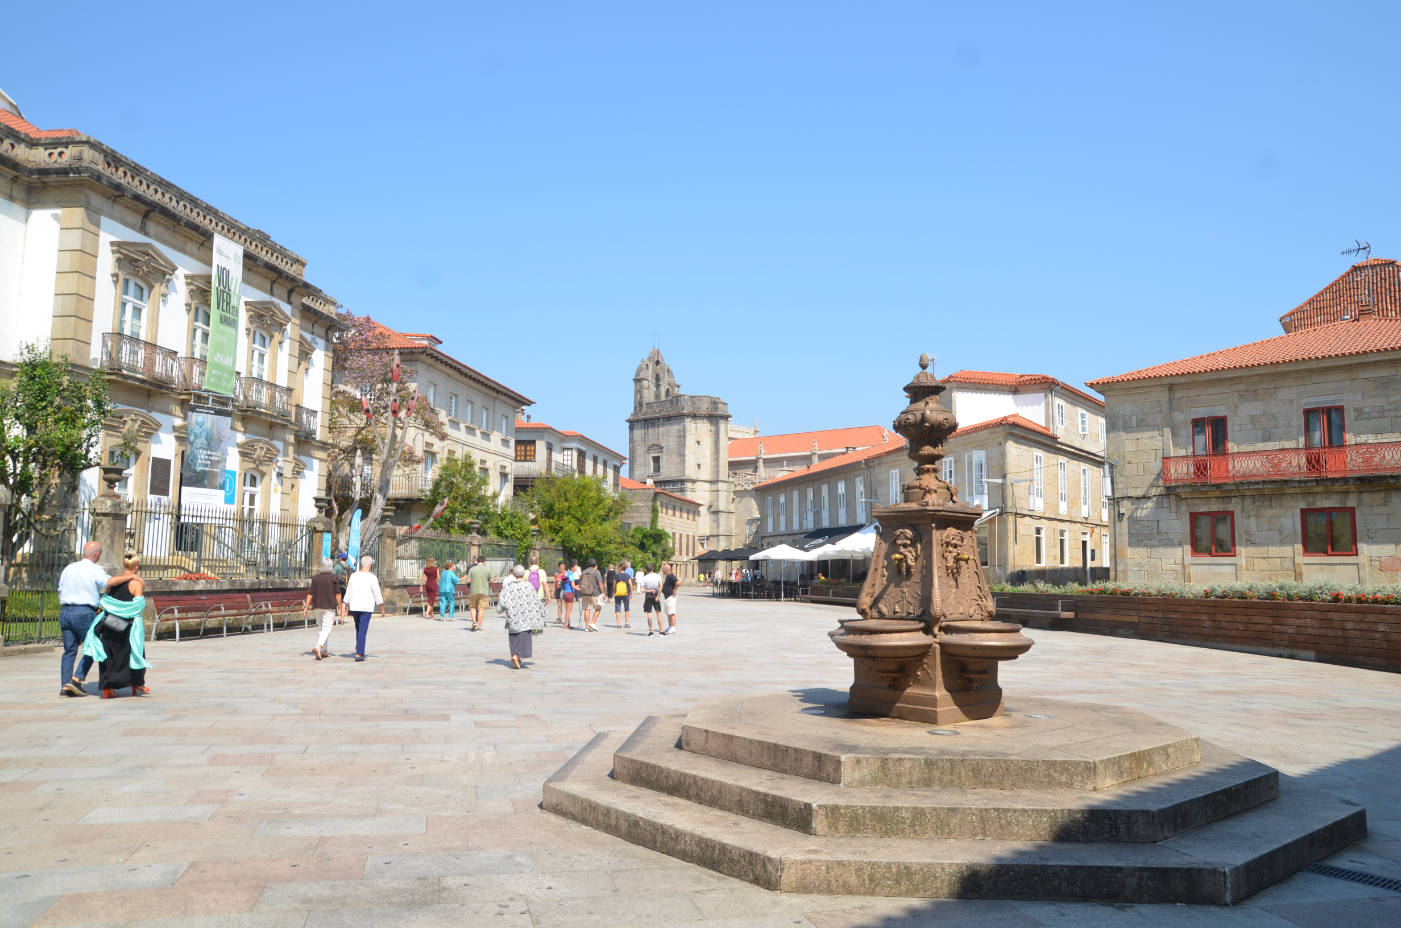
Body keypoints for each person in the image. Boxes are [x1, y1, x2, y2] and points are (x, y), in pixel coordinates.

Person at [57, 541, 129, 697]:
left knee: (69, 650)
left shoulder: (69, 568)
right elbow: (108, 582)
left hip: (65, 611)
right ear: (97, 554)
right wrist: (128, 577)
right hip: (84, 611)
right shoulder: (95, 569)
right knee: (94, 646)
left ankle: (65, 685)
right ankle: (76, 679)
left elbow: (60, 589)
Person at [79, 552, 149, 698]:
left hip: (110, 624)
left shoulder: (114, 582)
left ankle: (107, 689)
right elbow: (138, 607)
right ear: (136, 567)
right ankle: (137, 685)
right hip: (127, 626)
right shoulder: (136, 583)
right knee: (133, 654)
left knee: (109, 657)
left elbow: (106, 601)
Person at [497, 564, 546, 669]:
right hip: (526, 618)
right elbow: (535, 600)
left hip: (513, 617)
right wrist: (542, 610)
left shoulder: (508, 586)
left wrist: (500, 609)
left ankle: (515, 655)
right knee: (524, 636)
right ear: (523, 574)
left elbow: (502, 601)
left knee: (514, 637)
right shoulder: (528, 585)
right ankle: (518, 657)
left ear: (514, 574)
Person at [344, 555, 384, 661]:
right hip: (366, 607)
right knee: (362, 630)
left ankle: (359, 647)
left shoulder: (353, 576)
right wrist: (382, 608)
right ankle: (360, 653)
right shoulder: (372, 577)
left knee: (358, 628)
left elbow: (348, 591)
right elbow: (377, 594)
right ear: (370, 565)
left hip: (355, 606)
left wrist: (346, 603)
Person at [305, 557, 343, 660]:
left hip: (317, 605)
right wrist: (340, 607)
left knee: (322, 628)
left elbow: (310, 593)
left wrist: (306, 606)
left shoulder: (315, 578)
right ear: (331, 567)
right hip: (329, 606)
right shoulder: (333, 577)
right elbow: (338, 594)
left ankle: (324, 651)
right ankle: (319, 646)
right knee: (327, 628)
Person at [577, 558, 604, 632]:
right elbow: (600, 583)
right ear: (595, 565)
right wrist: (603, 593)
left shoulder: (584, 572)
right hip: (594, 593)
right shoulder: (596, 572)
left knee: (587, 609)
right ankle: (592, 623)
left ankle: (587, 627)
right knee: (598, 608)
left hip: (585, 593)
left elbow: (581, 582)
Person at [467, 555, 492, 631]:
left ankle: (474, 621)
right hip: (484, 592)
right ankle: (479, 626)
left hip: (474, 591)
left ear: (477, 561)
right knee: (481, 609)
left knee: (472, 607)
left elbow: (468, 581)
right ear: (484, 562)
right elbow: (492, 580)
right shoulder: (487, 570)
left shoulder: (472, 569)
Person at [639, 564, 664, 636]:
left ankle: (651, 631)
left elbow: (641, 590)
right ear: (652, 568)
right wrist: (658, 596)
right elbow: (661, 586)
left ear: (646, 570)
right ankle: (661, 631)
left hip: (648, 596)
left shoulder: (644, 578)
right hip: (656, 594)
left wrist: (649, 590)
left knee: (649, 613)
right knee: (658, 613)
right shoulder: (657, 576)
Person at [555, 561, 577, 628]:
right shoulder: (571, 574)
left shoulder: (566, 574)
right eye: (576, 567)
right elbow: (573, 586)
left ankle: (568, 624)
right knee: (568, 610)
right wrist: (579, 588)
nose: (576, 568)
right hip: (570, 593)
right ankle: (566, 624)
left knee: (567, 609)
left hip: (565, 592)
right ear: (572, 568)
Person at [661, 563, 681, 635]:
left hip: (671, 597)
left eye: (663, 569)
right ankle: (670, 626)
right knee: (668, 612)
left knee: (672, 612)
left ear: (666, 570)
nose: (662, 571)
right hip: (667, 597)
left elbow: (678, 582)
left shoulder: (671, 576)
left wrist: (675, 590)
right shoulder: (668, 576)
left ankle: (673, 627)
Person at [613, 564, 633, 628]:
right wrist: (631, 594)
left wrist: (614, 592)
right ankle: (626, 623)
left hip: (618, 594)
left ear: (619, 568)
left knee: (617, 608)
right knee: (626, 608)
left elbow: (614, 585)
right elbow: (631, 585)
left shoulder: (616, 576)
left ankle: (618, 624)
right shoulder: (627, 576)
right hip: (626, 594)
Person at [332, 553, 350, 622]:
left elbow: (333, 576)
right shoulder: (348, 566)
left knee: (334, 602)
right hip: (345, 587)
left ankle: (334, 618)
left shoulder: (337, 566)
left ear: (340, 558)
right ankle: (342, 619)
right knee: (343, 602)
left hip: (337, 586)